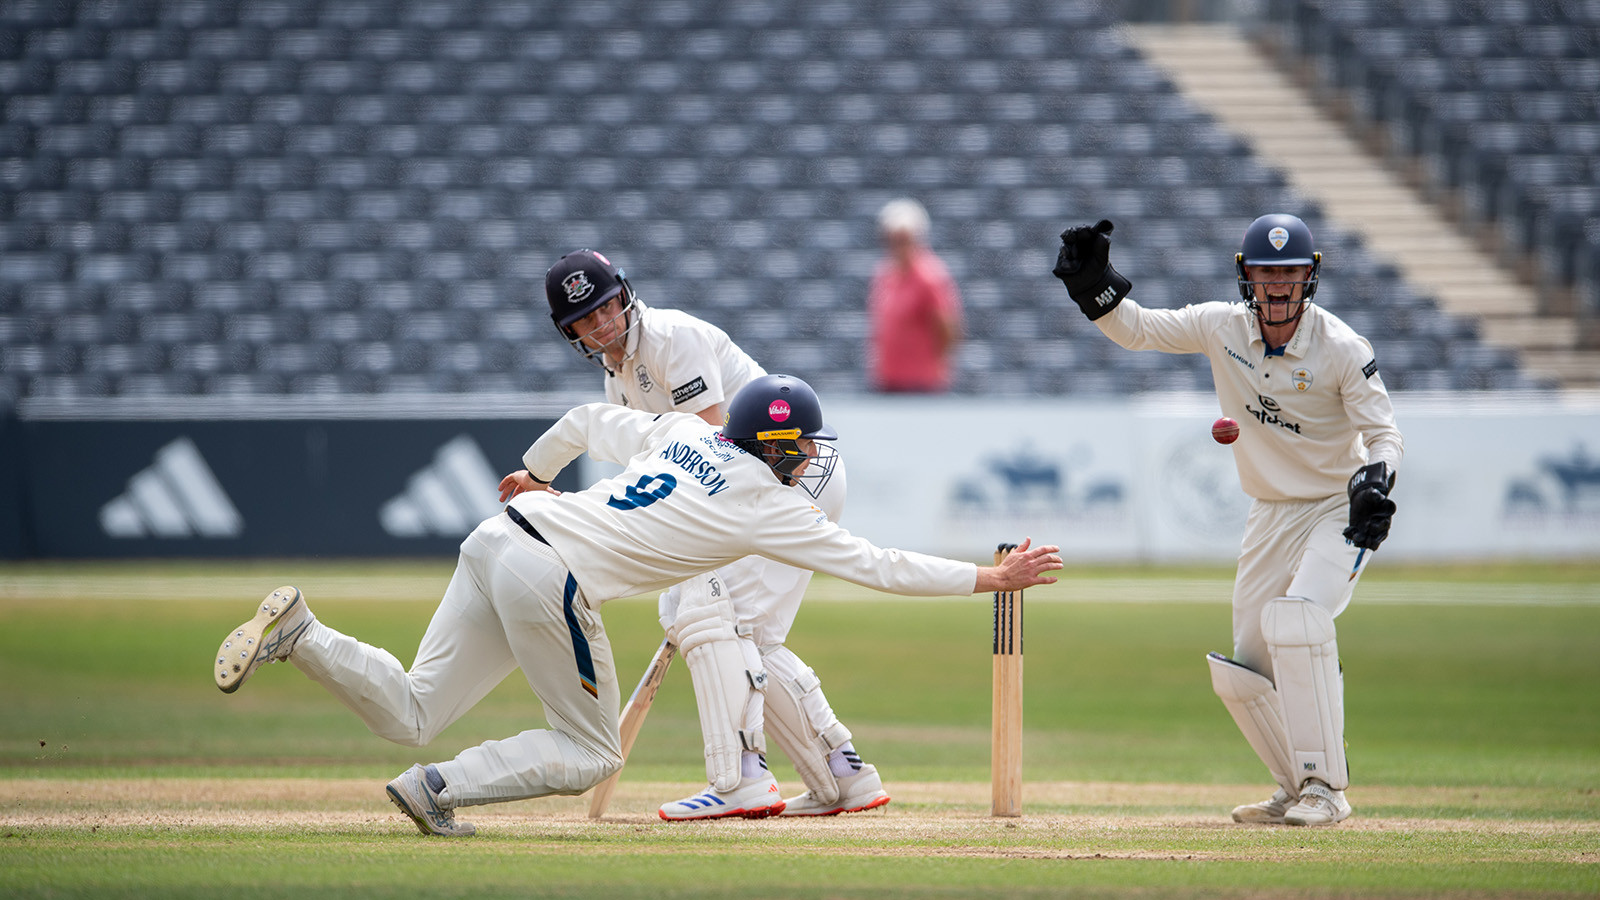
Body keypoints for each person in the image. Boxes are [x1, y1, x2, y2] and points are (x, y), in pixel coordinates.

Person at [213, 373, 1063, 836]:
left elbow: (588, 415)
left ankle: (305, 634)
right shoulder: (767, 503)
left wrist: (538, 468)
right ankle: (434, 788)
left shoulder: (686, 431)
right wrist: (992, 580)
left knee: (408, 707)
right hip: (550, 576)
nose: (810, 457)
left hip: (504, 530)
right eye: (801, 445)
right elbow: (876, 565)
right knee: (589, 753)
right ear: (775, 447)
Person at [1051, 215, 1402, 827]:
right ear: (1247, 276)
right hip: (1269, 511)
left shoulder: (1343, 348)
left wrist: (1375, 482)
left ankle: (1327, 788)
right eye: (1267, 272)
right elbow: (1138, 330)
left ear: (1309, 276)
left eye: (1290, 271)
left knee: (1298, 622)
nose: (1278, 285)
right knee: (1245, 668)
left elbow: (1384, 434)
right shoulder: (1222, 326)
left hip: (1332, 509)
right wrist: (1093, 286)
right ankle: (1292, 784)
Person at [545, 248, 885, 820]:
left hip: (787, 475)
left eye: (605, 308)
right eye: (586, 320)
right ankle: (842, 774)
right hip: (755, 490)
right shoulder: (618, 381)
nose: (601, 325)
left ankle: (740, 779)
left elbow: (710, 448)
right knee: (748, 636)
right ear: (570, 331)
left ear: (624, 296)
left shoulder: (672, 339)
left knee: (704, 612)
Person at [867, 198, 964, 393]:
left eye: (903, 240)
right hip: (888, 380)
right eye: (892, 241)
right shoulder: (885, 274)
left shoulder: (930, 276)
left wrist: (936, 369)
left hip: (921, 384)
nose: (897, 247)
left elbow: (948, 328)